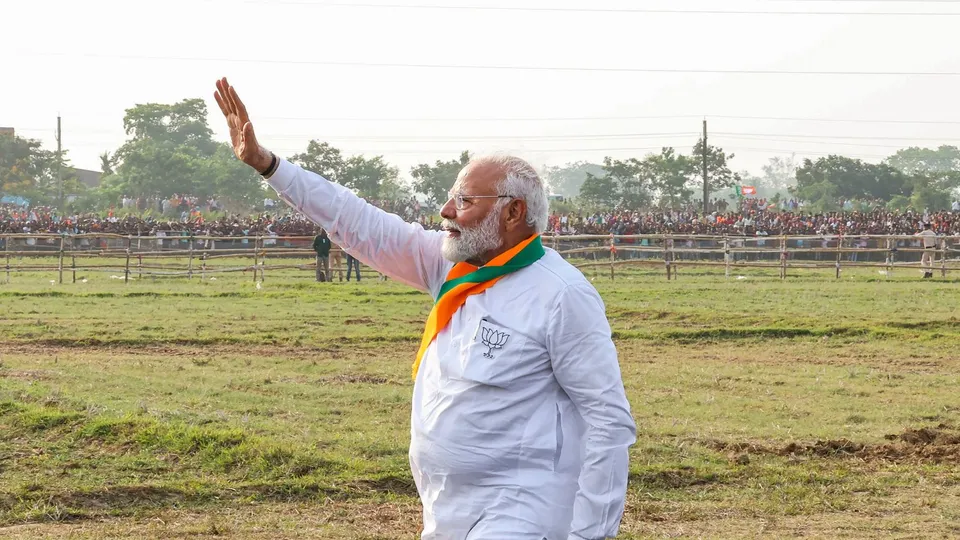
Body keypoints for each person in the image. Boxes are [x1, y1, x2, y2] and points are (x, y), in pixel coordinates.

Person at [214, 78, 636, 540]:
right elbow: (355, 219)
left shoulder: (562, 295)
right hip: (445, 510)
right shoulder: (451, 268)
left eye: (465, 201)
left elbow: (607, 421)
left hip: (522, 509)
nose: (446, 210)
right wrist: (269, 166)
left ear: (514, 213)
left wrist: (591, 534)